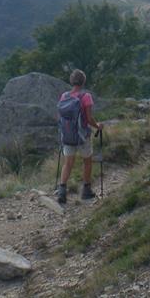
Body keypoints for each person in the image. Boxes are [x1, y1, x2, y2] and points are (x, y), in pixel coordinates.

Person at [57, 69, 103, 203]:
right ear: (83, 82)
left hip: (67, 136)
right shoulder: (86, 97)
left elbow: (60, 117)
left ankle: (62, 192)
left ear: (72, 81)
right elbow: (89, 119)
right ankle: (86, 191)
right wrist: (98, 126)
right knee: (87, 161)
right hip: (83, 136)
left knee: (68, 163)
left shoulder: (64, 96)